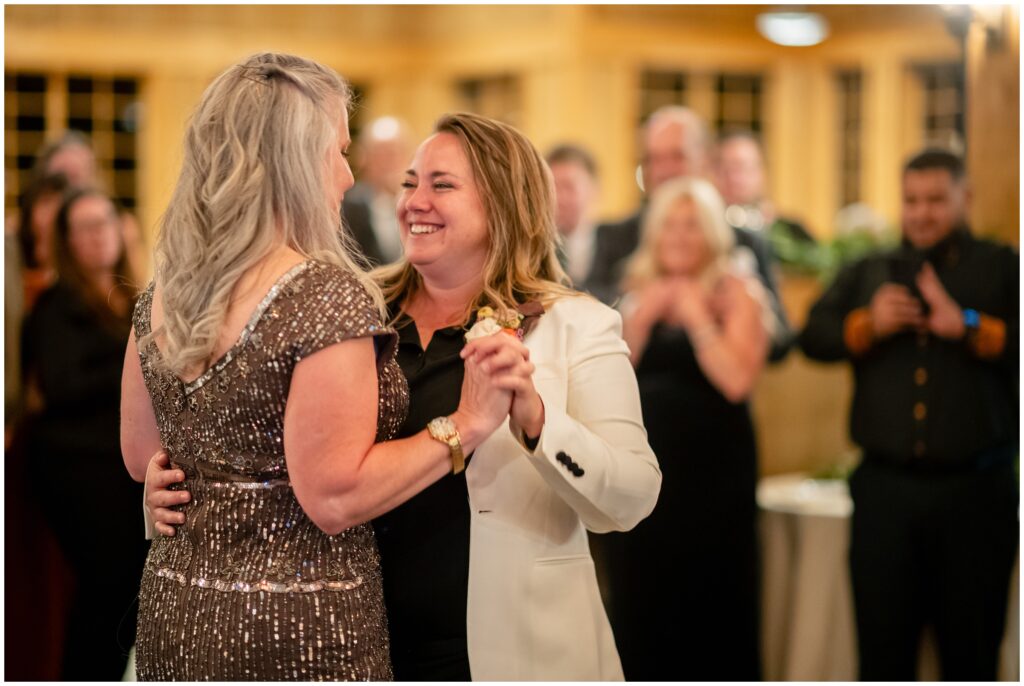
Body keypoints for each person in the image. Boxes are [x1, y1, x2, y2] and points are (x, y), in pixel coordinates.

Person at [143, 111, 662, 680]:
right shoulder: (349, 312)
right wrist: (173, 484)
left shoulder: (576, 326)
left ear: (506, 204)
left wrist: (537, 419)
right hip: (350, 639)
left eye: (442, 185)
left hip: (511, 650)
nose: (415, 201)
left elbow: (632, 498)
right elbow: (270, 443)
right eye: (411, 182)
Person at [120, 53, 514, 681]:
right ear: (296, 163)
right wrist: (465, 423)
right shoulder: (322, 295)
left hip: (178, 609)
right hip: (300, 631)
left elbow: (144, 455)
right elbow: (335, 495)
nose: (346, 175)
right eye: (337, 151)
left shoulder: (163, 295)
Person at [799, 148, 1018, 680]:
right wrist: (866, 324)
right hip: (884, 497)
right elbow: (811, 337)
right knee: (882, 656)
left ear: (964, 198)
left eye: (936, 200)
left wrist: (965, 325)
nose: (921, 213)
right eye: (912, 200)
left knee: (971, 655)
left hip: (976, 497)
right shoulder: (868, 270)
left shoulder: (1001, 266)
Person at [597, 176, 771, 680]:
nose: (678, 236)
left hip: (716, 475)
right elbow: (609, 380)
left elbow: (737, 381)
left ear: (713, 232)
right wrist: (643, 319)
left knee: (715, 596)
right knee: (643, 595)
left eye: (691, 225)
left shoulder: (738, 291)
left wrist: (698, 321)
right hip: (645, 473)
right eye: (669, 224)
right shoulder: (634, 288)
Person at [20, 187, 148, 680]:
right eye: (86, 227)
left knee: (120, 594)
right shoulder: (56, 305)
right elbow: (61, 385)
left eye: (106, 223)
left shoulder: (125, 295)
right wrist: (133, 365)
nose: (99, 236)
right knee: (107, 591)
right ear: (67, 241)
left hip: (118, 468)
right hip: (77, 469)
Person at [591, 105, 792, 360]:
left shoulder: (746, 240)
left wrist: (728, 313)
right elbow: (591, 313)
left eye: (677, 157)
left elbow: (781, 343)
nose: (664, 170)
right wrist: (638, 303)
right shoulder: (616, 236)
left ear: (705, 160)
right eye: (654, 159)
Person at [713, 129, 816, 248]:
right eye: (724, 169)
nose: (732, 178)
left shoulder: (791, 233)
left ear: (762, 172)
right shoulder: (703, 230)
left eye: (741, 167)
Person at [341, 116, 414, 266]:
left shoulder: (419, 203)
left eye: (394, 153)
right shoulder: (346, 206)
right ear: (365, 158)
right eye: (381, 155)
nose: (389, 163)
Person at [545, 143, 603, 296]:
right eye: (553, 187)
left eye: (569, 187)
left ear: (594, 189)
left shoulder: (621, 242)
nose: (560, 198)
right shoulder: (533, 249)